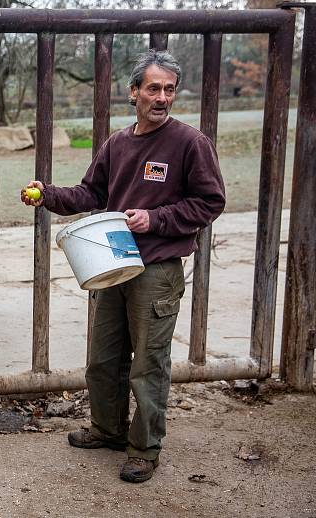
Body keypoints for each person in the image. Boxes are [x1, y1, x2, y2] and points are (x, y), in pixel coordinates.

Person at [21, 49, 226, 483]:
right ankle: (108, 429)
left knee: (148, 364)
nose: (162, 97)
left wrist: (157, 219)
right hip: (113, 263)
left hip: (158, 269)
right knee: (104, 358)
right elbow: (91, 194)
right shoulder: (118, 142)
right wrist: (48, 194)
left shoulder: (190, 143)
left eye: (169, 89)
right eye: (153, 88)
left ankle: (144, 448)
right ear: (133, 92)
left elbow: (211, 202)